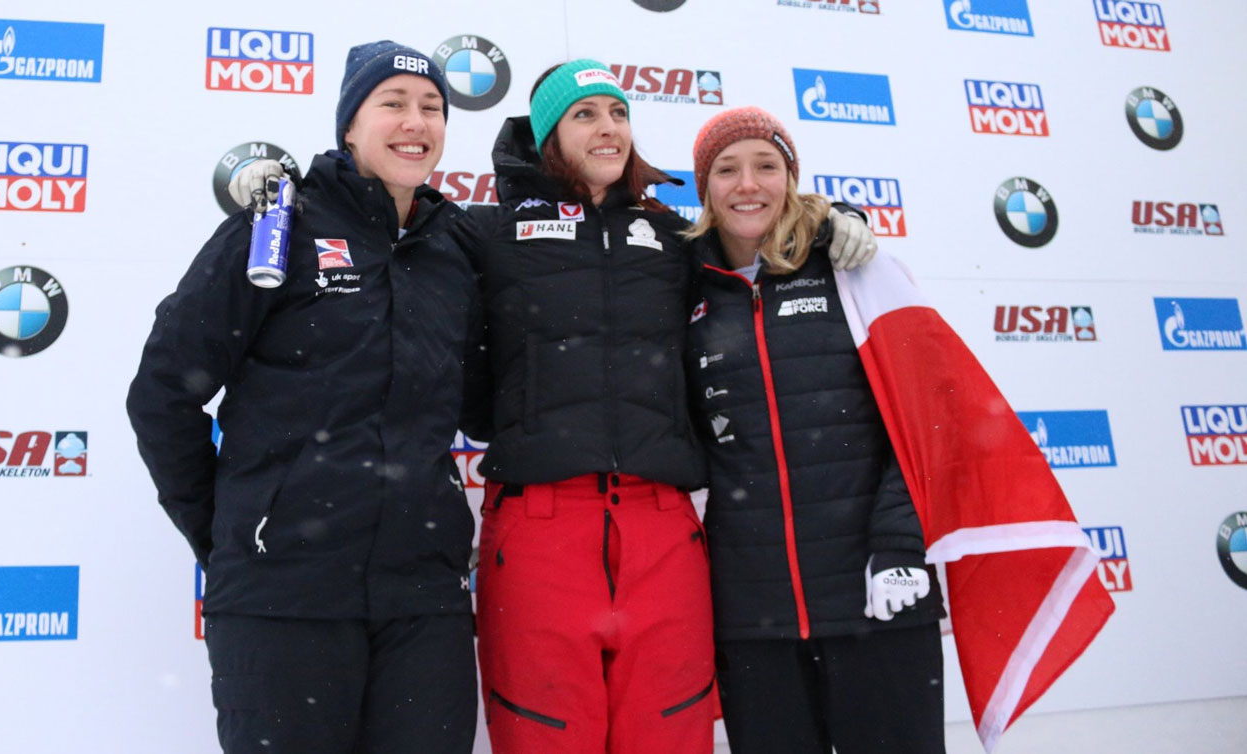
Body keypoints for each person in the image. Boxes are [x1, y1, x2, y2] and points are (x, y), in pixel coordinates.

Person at [229, 62, 877, 754]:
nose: (608, 128)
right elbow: (382, 215)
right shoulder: (483, 232)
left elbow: (759, 230)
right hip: (540, 532)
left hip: (663, 531)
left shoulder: (672, 239)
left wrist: (835, 223)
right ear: (548, 136)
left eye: (618, 113)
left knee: (669, 734)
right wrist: (284, 195)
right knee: (545, 738)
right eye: (585, 114)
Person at [126, 41, 483, 754]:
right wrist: (233, 530)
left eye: (432, 108)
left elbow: (483, 400)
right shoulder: (277, 223)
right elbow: (163, 391)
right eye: (393, 103)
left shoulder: (455, 247)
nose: (415, 121)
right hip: (281, 596)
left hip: (423, 605)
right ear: (349, 124)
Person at [682, 106, 944, 754]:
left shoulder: (856, 270)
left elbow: (924, 420)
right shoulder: (683, 291)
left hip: (875, 593)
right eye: (727, 169)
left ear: (792, 178)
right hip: (753, 615)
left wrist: (902, 546)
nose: (748, 184)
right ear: (704, 188)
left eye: (766, 166)